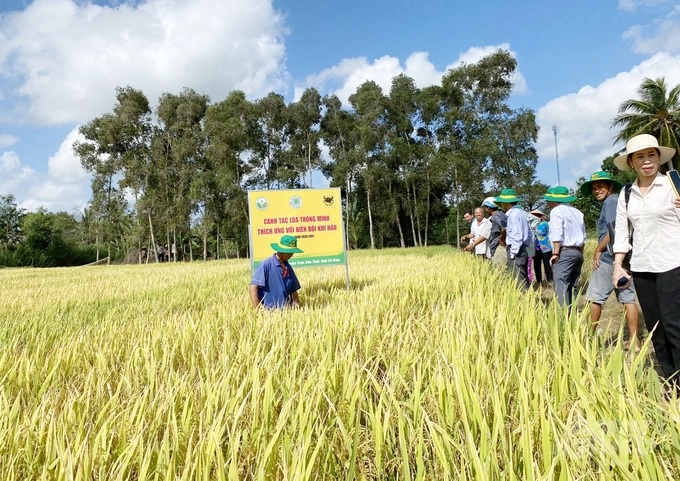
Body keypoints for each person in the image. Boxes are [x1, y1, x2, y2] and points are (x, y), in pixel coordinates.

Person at [611, 134, 680, 387]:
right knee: (656, 328)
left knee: (674, 324)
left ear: (659, 158)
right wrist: (618, 264)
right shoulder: (626, 193)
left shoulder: (673, 184)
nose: (647, 161)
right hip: (642, 266)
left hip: (673, 263)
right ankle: (671, 382)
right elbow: (622, 230)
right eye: (640, 156)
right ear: (631, 162)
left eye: (651, 154)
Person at [580, 171, 639, 348]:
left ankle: (589, 338)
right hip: (623, 259)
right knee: (628, 299)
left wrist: (598, 249)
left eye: (600, 187)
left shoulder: (611, 201)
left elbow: (615, 229)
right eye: (594, 188)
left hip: (609, 259)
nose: (597, 190)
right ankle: (634, 341)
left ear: (610, 187)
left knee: (595, 298)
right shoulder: (616, 200)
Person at [545, 186, 586, 309]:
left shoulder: (556, 211)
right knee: (573, 285)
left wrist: (556, 253)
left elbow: (557, 234)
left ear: (553, 200)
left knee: (561, 285)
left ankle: (564, 318)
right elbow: (583, 237)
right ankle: (573, 316)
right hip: (578, 252)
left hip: (564, 251)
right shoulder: (578, 212)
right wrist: (580, 254)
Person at [250, 235, 303, 309]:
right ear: (280, 250)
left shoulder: (288, 267)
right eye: (288, 252)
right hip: (268, 313)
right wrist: (258, 310)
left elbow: (293, 290)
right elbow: (253, 288)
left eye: (292, 252)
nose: (291, 255)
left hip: (286, 312)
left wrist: (296, 304)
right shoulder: (265, 265)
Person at [494, 188, 532, 289]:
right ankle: (528, 300)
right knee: (523, 277)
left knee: (518, 278)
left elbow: (516, 235)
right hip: (523, 248)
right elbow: (529, 234)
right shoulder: (521, 213)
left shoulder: (513, 215)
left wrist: (513, 253)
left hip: (516, 249)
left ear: (505, 204)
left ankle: (523, 301)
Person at [483, 196, 507, 267]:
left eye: (485, 207)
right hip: (498, 246)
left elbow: (505, 227)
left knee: (500, 270)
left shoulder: (497, 216)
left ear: (489, 208)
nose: (485, 209)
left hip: (499, 248)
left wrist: (501, 238)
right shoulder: (501, 214)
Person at [533, 214, 553, 286]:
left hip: (546, 247)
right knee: (536, 264)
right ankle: (539, 280)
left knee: (547, 264)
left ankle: (550, 280)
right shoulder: (532, 224)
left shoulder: (545, 224)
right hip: (536, 247)